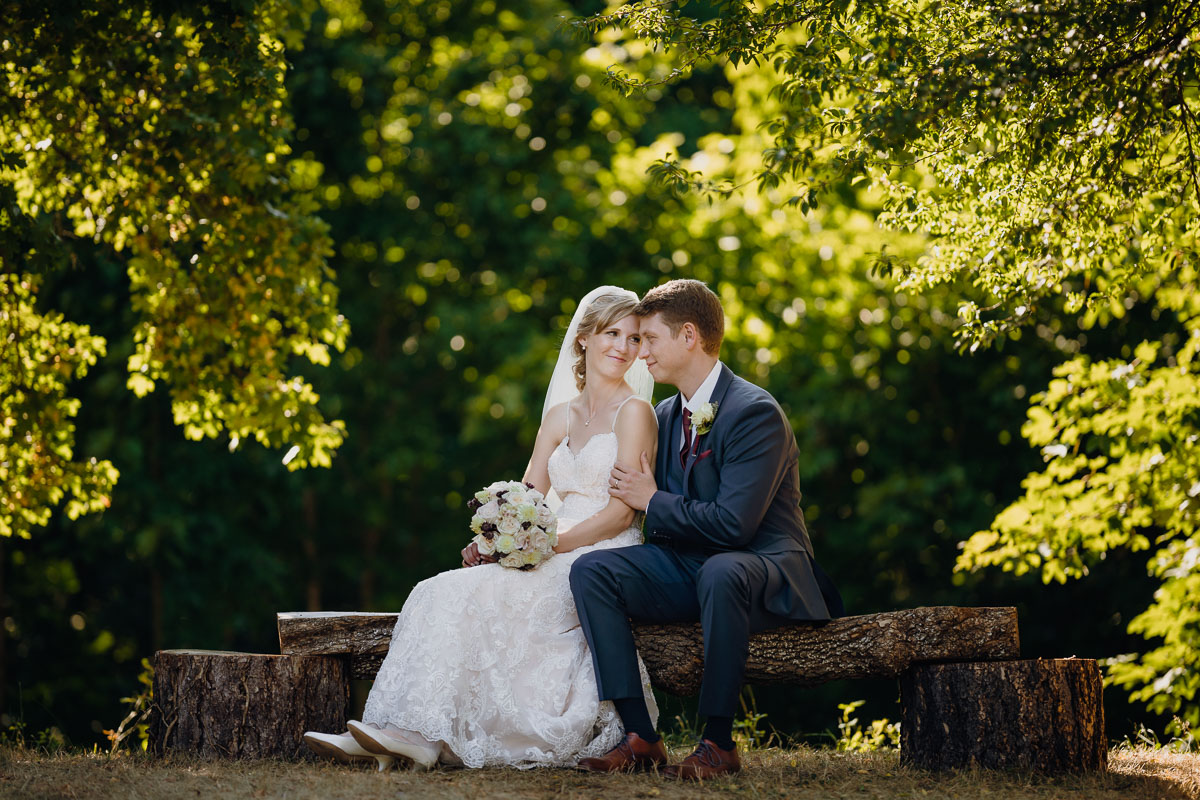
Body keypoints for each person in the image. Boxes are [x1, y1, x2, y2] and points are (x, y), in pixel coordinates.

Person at [303, 286, 661, 770]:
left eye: (635, 338)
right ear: (583, 339)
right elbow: (529, 494)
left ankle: (420, 737)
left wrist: (547, 545)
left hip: (601, 550)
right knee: (439, 590)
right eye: (612, 333)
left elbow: (623, 513)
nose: (624, 346)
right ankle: (396, 729)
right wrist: (492, 540)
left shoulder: (635, 412)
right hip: (552, 544)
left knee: (482, 596)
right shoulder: (561, 415)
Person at [570, 279, 843, 779]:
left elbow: (736, 525)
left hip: (764, 565)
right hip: (690, 562)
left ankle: (718, 742)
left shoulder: (754, 412)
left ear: (689, 336)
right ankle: (640, 738)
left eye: (649, 339)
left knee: (721, 571)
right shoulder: (665, 414)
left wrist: (653, 500)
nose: (640, 353)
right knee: (593, 572)